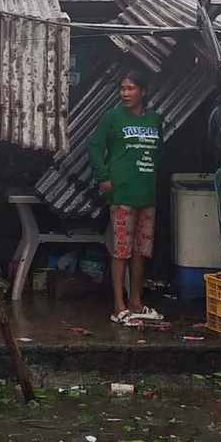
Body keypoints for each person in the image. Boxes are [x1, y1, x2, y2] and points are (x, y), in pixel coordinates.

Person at [87, 72, 165, 326]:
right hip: (121, 192)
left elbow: (159, 152)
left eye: (130, 89)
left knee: (141, 251)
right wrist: (103, 176)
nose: (125, 93)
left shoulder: (154, 119)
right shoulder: (112, 117)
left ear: (143, 91)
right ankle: (118, 306)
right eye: (122, 89)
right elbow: (94, 146)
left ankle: (135, 302)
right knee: (121, 250)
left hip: (146, 193)